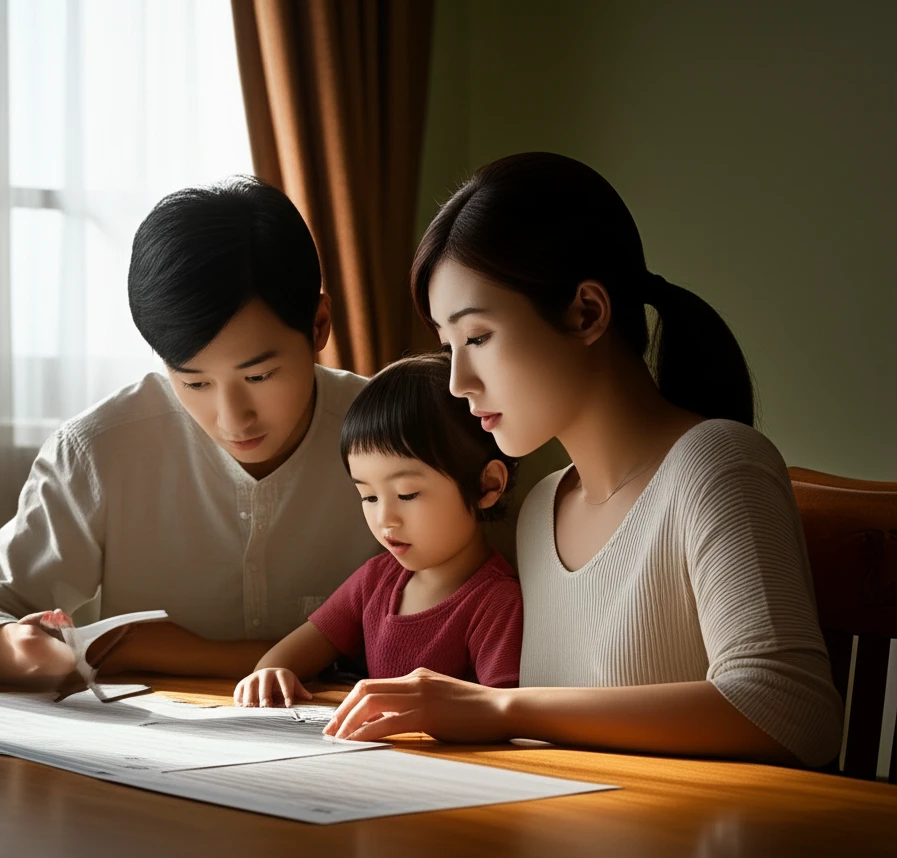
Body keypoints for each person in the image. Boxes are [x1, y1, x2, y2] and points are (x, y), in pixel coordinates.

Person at [323, 152, 845, 769]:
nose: (458, 381)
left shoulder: (717, 465)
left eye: (479, 338)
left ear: (586, 313)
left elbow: (791, 708)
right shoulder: (541, 507)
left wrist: (501, 709)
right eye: (447, 346)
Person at [0, 176, 379, 687]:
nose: (233, 418)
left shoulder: (397, 435)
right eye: (194, 381)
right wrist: (20, 648)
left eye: (258, 376)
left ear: (318, 326)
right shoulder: (102, 449)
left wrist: (179, 652)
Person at [233, 352, 523, 708]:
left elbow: (504, 709)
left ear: (487, 485)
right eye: (368, 497)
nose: (386, 519)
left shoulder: (496, 602)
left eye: (407, 494)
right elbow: (280, 660)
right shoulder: (375, 581)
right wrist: (272, 673)